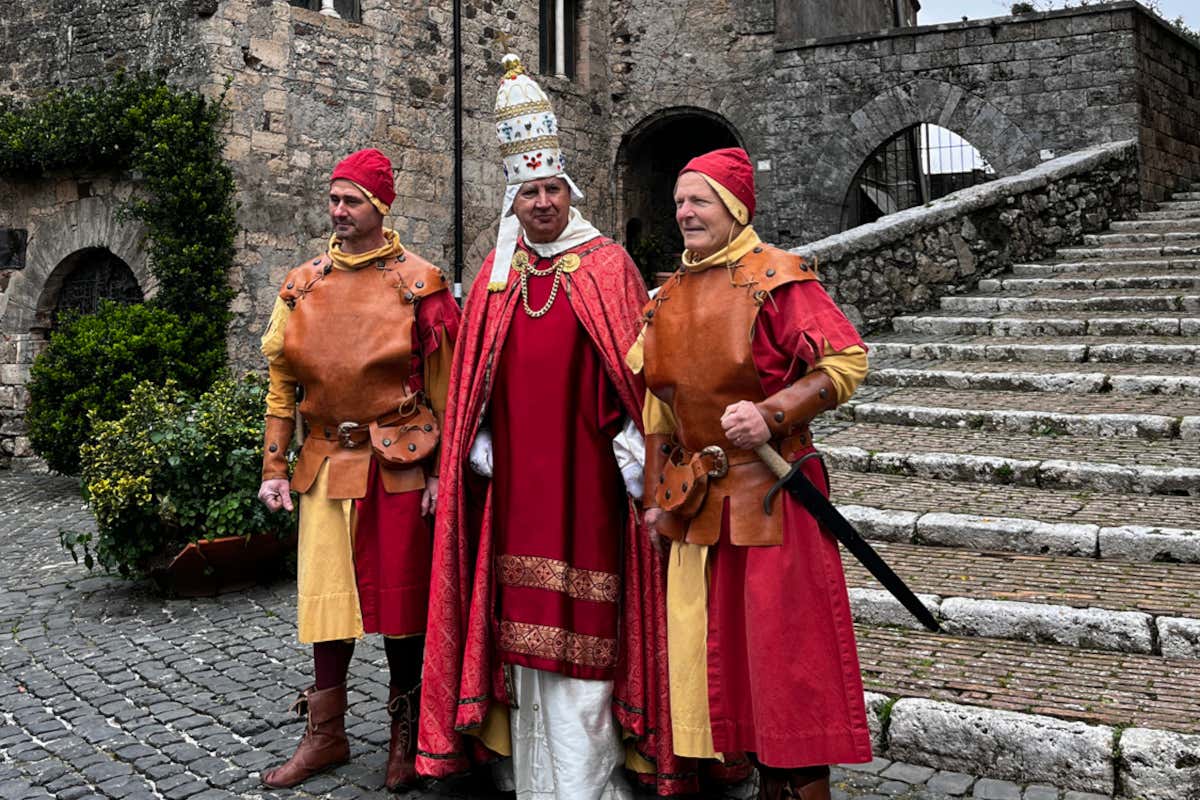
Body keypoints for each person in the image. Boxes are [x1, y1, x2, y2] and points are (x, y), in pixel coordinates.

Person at [416, 55, 694, 799]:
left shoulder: (608, 267)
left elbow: (638, 381)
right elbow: (473, 380)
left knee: (589, 631)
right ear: (513, 201)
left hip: (593, 486)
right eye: (529, 193)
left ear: (570, 191)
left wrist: (638, 462)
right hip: (516, 489)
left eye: (552, 190)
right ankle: (527, 772)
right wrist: (476, 446)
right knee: (520, 629)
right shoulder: (497, 276)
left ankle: (588, 781)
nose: (543, 203)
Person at [628, 147, 874, 800]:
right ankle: (760, 779)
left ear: (735, 208)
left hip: (771, 501)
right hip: (696, 504)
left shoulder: (777, 279)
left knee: (783, 660)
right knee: (723, 661)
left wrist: (771, 413)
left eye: (699, 200)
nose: (685, 212)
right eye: (679, 202)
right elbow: (659, 412)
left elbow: (846, 361)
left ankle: (798, 788)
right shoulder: (666, 298)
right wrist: (655, 498)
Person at [255, 148, 460, 791]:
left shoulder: (420, 284)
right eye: (334, 199)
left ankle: (405, 734)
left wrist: (440, 476)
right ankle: (326, 735)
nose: (338, 210)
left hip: (398, 463)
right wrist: (274, 467)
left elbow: (446, 392)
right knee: (326, 605)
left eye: (352, 200)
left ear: (380, 206)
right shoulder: (302, 285)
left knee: (401, 604)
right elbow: (281, 385)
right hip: (322, 462)